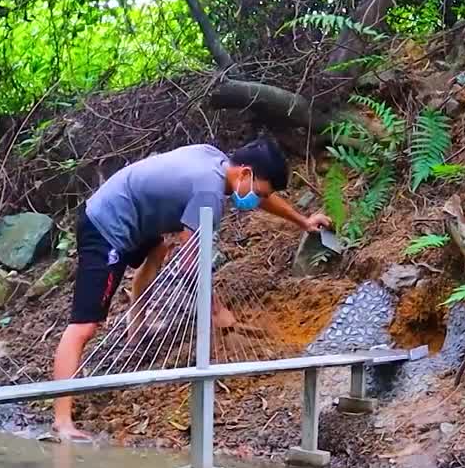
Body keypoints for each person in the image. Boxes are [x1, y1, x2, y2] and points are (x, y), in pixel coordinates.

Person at [52, 138, 331, 439]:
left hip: (138, 214)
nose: (257, 200)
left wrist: (303, 221)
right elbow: (189, 263)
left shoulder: (221, 163)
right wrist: (217, 310)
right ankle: (62, 421)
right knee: (84, 326)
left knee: (157, 250)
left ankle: (136, 323)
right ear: (245, 174)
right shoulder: (208, 192)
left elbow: (262, 196)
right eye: (259, 191)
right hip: (107, 224)